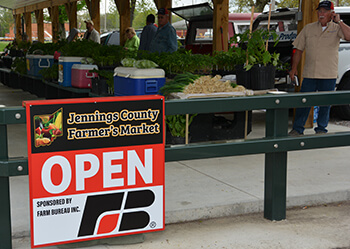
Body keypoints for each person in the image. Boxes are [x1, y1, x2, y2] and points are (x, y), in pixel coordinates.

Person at [289, 0, 350, 136]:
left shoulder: (337, 28)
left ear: (331, 13)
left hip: (328, 74)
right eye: (320, 11)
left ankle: (321, 129)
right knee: (304, 102)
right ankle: (297, 129)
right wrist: (294, 69)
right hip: (310, 73)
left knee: (325, 103)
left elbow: (349, 36)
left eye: (325, 11)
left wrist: (339, 21)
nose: (321, 14)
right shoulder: (308, 28)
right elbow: (298, 49)